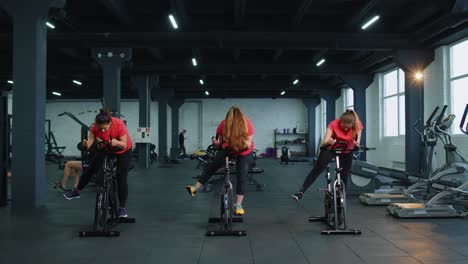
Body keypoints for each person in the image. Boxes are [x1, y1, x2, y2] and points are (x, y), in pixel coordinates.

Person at [64, 109, 133, 218]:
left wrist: (116, 142)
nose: (103, 131)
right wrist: (85, 145)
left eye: (105, 128)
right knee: (90, 168)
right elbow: (90, 143)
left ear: (110, 123)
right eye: (101, 129)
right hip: (107, 148)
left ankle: (122, 208)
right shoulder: (95, 128)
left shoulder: (118, 124)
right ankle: (77, 191)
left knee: (121, 176)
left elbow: (124, 144)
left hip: (123, 151)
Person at [186, 106, 254, 215]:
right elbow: (219, 144)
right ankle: (194, 188)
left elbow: (247, 145)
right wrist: (217, 145)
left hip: (243, 151)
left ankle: (238, 205)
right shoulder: (223, 125)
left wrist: (229, 144)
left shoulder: (248, 125)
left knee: (242, 174)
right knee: (213, 165)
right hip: (229, 148)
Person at [292, 109, 363, 201]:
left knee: (344, 174)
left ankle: (340, 195)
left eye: (347, 127)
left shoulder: (357, 126)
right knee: (318, 169)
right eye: (343, 126)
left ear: (352, 124)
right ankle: (301, 192)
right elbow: (323, 143)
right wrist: (329, 142)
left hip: (346, 150)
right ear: (340, 121)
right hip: (331, 148)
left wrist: (356, 145)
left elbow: (357, 144)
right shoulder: (333, 124)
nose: (345, 129)